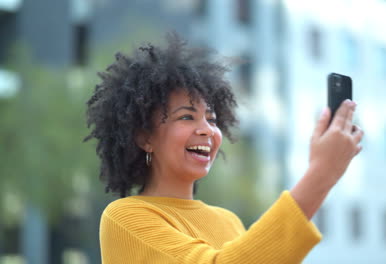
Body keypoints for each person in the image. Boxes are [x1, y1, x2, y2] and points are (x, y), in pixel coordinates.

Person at [84, 33, 364, 264]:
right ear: (145, 136)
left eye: (213, 119)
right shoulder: (125, 218)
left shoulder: (228, 221)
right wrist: (322, 174)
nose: (207, 129)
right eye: (186, 116)